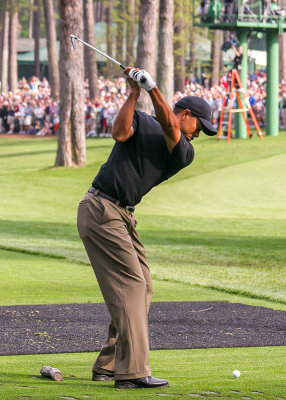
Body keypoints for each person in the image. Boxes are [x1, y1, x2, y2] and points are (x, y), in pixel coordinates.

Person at [77, 67, 217, 390]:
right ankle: (132, 372)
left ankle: (108, 364)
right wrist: (134, 92)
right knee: (132, 284)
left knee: (145, 285)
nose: (199, 135)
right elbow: (119, 132)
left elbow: (168, 123)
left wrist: (152, 88)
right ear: (186, 114)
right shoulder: (145, 120)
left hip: (122, 215)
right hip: (100, 208)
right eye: (200, 127)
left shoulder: (184, 151)